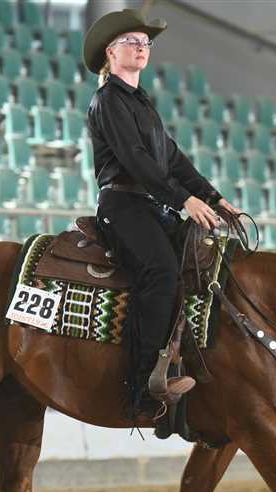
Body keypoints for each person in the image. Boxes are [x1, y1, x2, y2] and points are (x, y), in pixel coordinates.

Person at [82, 8, 242, 417]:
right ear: (111, 53)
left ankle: (186, 365)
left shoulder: (143, 104)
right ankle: (142, 387)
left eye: (145, 43)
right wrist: (184, 200)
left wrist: (213, 197)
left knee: (199, 267)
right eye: (132, 42)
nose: (142, 48)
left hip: (151, 205)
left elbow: (172, 158)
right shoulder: (108, 101)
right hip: (123, 205)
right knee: (162, 272)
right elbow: (136, 160)